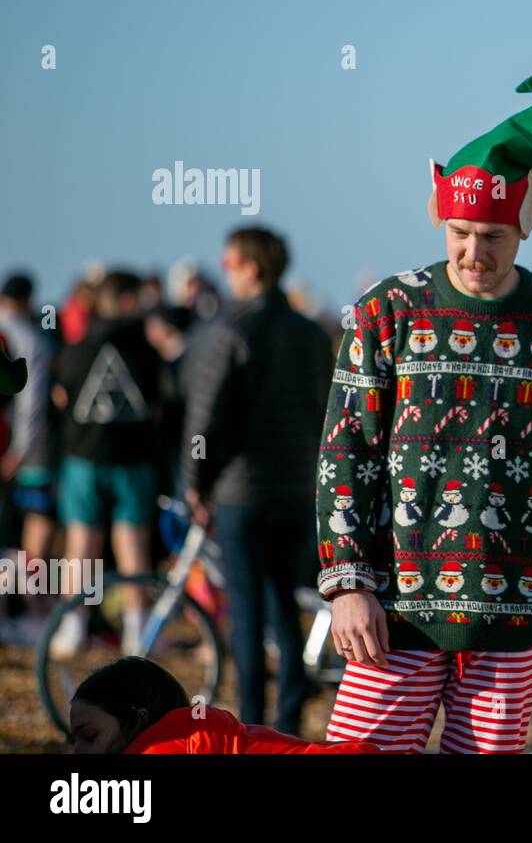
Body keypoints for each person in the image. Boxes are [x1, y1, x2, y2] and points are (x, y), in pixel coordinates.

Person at [318, 70, 532, 753]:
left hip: (516, 605)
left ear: (523, 227)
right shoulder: (386, 312)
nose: (474, 251)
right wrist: (346, 582)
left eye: (492, 236)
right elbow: (345, 451)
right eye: (461, 232)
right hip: (393, 604)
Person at [182, 227, 332, 735]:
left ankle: (249, 724)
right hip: (295, 489)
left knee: (245, 611)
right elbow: (325, 411)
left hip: (241, 490)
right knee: (284, 607)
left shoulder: (232, 329)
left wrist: (194, 481)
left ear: (249, 266)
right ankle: (287, 722)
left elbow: (206, 418)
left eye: (228, 262)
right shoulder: (311, 332)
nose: (223, 269)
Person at [49, 271, 160, 657]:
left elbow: (60, 396)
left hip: (83, 458)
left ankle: (72, 627)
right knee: (132, 544)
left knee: (81, 544)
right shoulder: (147, 351)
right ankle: (139, 632)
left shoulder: (76, 348)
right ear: (128, 300)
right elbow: (163, 401)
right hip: (134, 460)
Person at [70, 657, 381, 754]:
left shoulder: (165, 747)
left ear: (137, 718)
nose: (78, 752)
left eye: (91, 735)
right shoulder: (188, 736)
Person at [0, 273, 59, 638]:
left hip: (16, 450)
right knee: (26, 539)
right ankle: (38, 616)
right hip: (27, 456)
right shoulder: (32, 338)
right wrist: (19, 450)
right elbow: (32, 402)